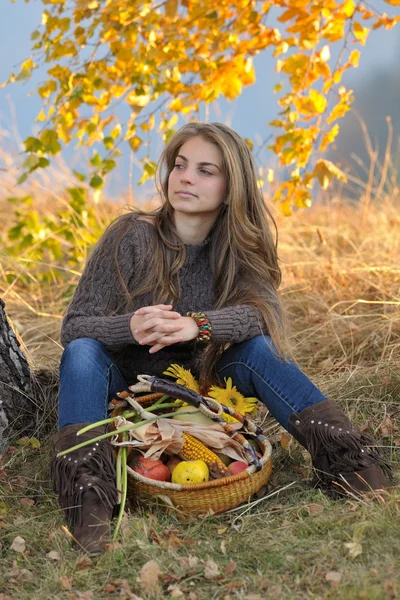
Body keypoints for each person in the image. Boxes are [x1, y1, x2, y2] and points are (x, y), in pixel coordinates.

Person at [51, 122, 391, 555]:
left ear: (231, 188)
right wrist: (128, 328)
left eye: (205, 170)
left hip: (203, 392)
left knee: (259, 350)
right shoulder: (130, 235)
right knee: (81, 352)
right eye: (180, 165)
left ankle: (350, 462)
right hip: (124, 390)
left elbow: (262, 314)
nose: (186, 177)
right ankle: (88, 500)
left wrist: (199, 325)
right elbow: (73, 326)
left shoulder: (240, 246)